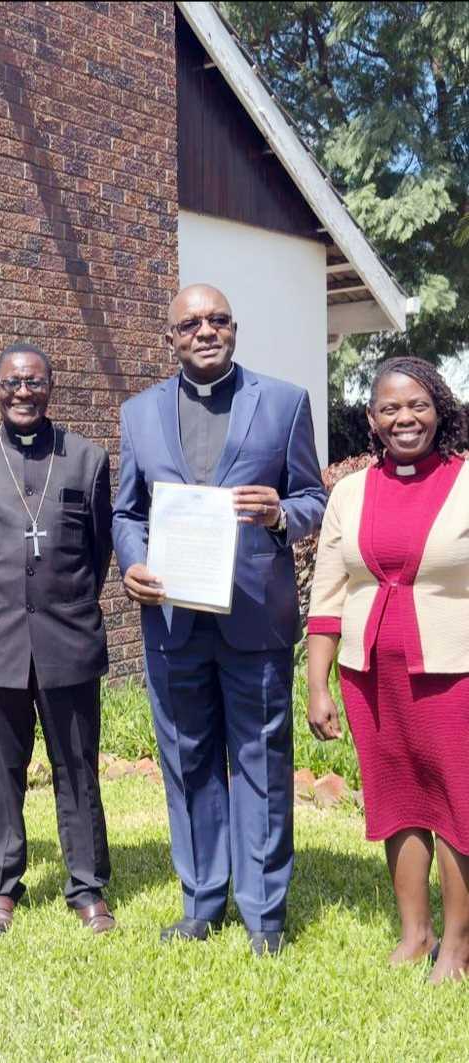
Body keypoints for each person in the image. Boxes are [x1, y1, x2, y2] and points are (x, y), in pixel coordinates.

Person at [113, 284, 326, 955]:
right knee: (187, 759)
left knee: (261, 759)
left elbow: (315, 498)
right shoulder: (139, 413)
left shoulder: (284, 402)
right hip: (173, 619)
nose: (205, 331)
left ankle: (263, 912)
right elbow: (127, 511)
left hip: (254, 617)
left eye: (218, 320)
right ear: (170, 337)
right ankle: (201, 900)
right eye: (190, 324)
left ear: (234, 328)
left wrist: (281, 513)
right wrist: (133, 562)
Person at [307, 357, 469, 984]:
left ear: (439, 410)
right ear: (372, 420)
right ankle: (415, 933)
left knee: (457, 804)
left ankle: (456, 947)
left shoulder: (464, 480)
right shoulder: (350, 493)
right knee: (397, 799)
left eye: (418, 405)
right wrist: (318, 685)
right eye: (390, 408)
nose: (405, 418)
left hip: (453, 672)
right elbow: (327, 595)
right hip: (371, 674)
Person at [0, 343, 115, 935]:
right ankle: (0, 888)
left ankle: (87, 886)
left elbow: (99, 550)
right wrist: (5, 605)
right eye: (13, 382)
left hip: (68, 639)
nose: (24, 392)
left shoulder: (86, 459)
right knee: (1, 772)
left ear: (50, 388)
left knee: (78, 768)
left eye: (35, 382)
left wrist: (58, 603)